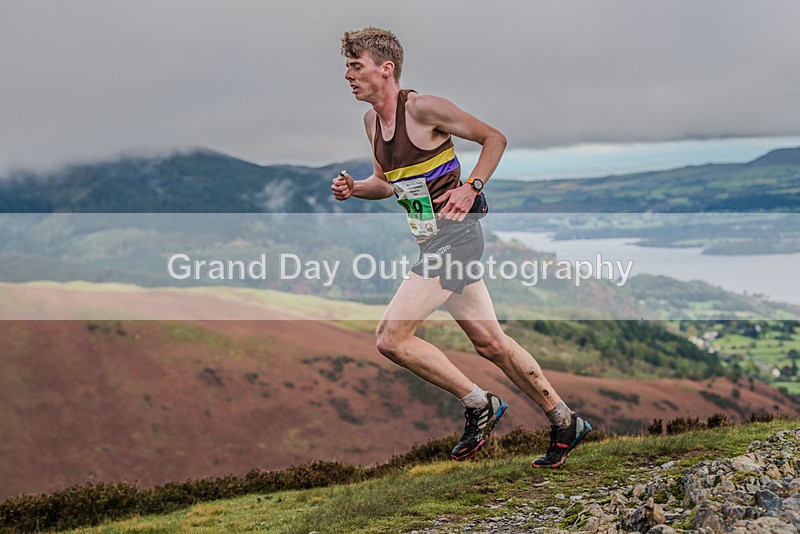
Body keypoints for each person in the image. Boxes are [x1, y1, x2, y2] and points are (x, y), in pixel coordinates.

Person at [331, 27, 591, 467]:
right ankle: (565, 421)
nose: (348, 76)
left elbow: (495, 139)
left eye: (356, 66)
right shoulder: (372, 122)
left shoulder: (424, 107)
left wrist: (471, 187)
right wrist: (356, 188)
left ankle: (478, 403)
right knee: (491, 343)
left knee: (390, 338)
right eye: (348, 67)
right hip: (432, 241)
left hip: (457, 237)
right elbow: (386, 182)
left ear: (385, 69)